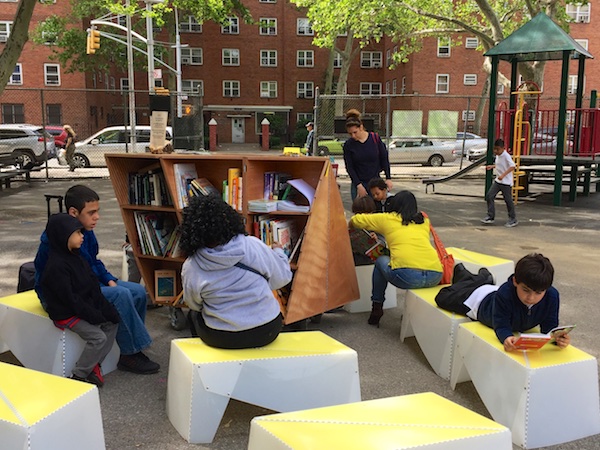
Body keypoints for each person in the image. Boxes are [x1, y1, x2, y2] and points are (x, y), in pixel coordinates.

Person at [34, 185, 160, 374]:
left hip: (86, 284)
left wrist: (108, 279)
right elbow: (71, 281)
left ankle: (131, 346)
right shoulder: (58, 238)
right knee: (121, 294)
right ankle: (131, 352)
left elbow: (93, 261)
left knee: (138, 291)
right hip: (63, 295)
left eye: (97, 211)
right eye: (91, 212)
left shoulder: (85, 231)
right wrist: (108, 286)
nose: (97, 217)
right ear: (73, 212)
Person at [181, 195, 293, 349]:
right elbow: (282, 279)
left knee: (193, 316)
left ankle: (205, 365)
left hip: (221, 337)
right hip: (267, 330)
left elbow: (194, 304)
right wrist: (279, 252)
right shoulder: (252, 245)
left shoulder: (191, 265)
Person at [39, 213, 119, 387]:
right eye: (77, 233)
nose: (82, 236)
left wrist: (105, 309)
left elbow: (92, 288)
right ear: (63, 236)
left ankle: (94, 364)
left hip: (81, 306)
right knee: (98, 337)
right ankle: (79, 374)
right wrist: (94, 316)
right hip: (66, 313)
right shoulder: (56, 266)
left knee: (112, 323)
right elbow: (70, 300)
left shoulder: (78, 258)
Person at [435, 254, 570, 352]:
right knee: (442, 298)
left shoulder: (552, 295)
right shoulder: (505, 293)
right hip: (480, 300)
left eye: (538, 293)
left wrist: (558, 340)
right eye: (526, 290)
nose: (531, 298)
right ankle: (476, 278)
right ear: (515, 281)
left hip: (496, 293)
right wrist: (506, 337)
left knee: (473, 285)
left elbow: (550, 329)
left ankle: (480, 277)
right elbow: (501, 324)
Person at [349, 191, 443, 326]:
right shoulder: (424, 221)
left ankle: (377, 306)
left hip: (407, 276)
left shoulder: (388, 218)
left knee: (381, 260)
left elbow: (356, 220)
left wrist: (351, 226)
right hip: (435, 275)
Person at [342, 109, 393, 200]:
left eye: (355, 132)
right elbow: (350, 167)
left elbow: (384, 158)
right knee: (361, 210)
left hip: (375, 181)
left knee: (377, 210)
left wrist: (388, 178)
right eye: (350, 134)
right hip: (359, 183)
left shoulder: (375, 139)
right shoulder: (349, 145)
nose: (353, 136)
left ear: (361, 127)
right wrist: (358, 185)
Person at [481, 138, 518, 227]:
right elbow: (500, 164)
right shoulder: (498, 155)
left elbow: (512, 166)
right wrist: (492, 166)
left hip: (506, 182)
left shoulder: (506, 155)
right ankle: (490, 216)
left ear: (503, 148)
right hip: (498, 181)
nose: (496, 151)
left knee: (508, 200)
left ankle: (513, 219)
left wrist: (503, 175)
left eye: (498, 149)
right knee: (490, 196)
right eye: (495, 149)